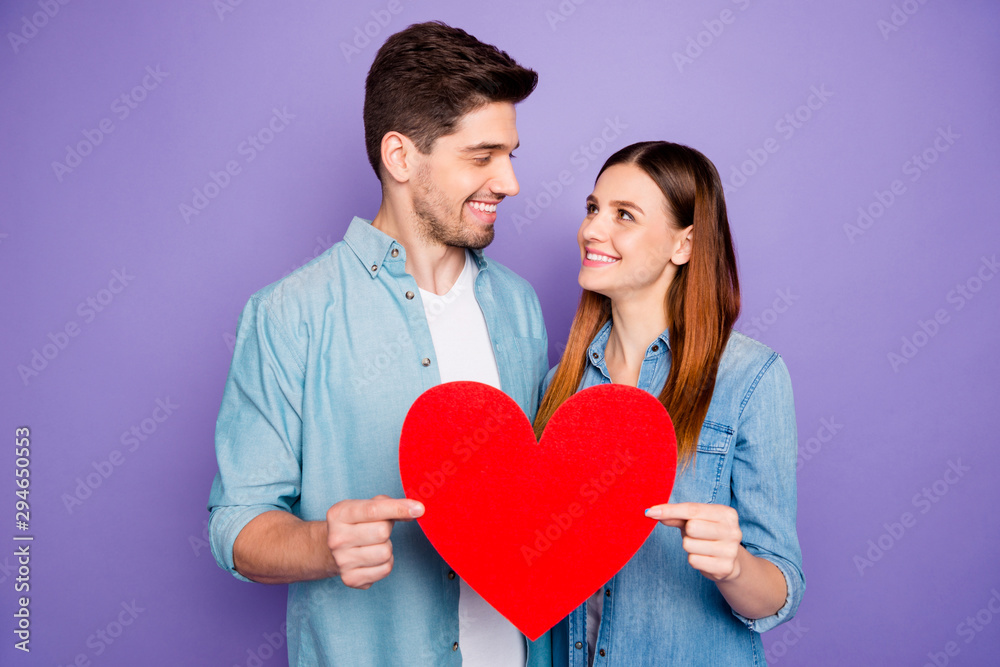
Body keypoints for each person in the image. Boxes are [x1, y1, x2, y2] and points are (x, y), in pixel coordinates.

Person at [207, 22, 551, 666]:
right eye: (482, 157)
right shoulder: (290, 315)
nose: (509, 183)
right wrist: (321, 545)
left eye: (511, 154)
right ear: (400, 157)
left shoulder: (519, 306)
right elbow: (236, 523)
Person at [535, 141, 804, 666]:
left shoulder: (751, 378)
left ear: (684, 244)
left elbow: (780, 590)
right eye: (593, 208)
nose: (592, 230)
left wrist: (733, 566)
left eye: (624, 216)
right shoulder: (559, 388)